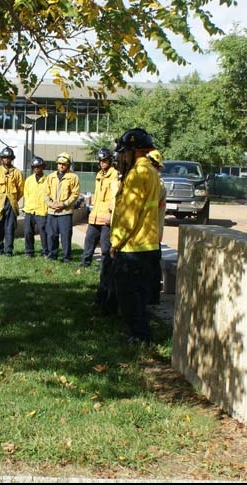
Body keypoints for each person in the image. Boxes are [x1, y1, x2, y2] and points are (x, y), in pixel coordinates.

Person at [108, 128, 162, 344]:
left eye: (124, 152)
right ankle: (142, 334)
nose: (121, 157)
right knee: (139, 295)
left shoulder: (137, 174)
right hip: (148, 245)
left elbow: (129, 213)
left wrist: (115, 242)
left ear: (135, 151)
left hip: (133, 247)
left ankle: (140, 336)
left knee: (128, 295)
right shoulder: (151, 172)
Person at [80, 147, 119, 267]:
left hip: (106, 216)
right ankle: (85, 263)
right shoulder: (99, 175)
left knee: (105, 244)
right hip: (95, 215)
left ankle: (105, 267)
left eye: (105, 160)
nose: (102, 162)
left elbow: (114, 196)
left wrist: (110, 213)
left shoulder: (114, 174)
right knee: (89, 239)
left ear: (110, 160)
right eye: (100, 160)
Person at [0, 146, 24, 256]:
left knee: (10, 228)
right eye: (4, 158)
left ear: (12, 159)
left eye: (8, 158)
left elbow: (21, 189)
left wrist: (14, 199)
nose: (6, 159)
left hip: (11, 205)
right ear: (2, 159)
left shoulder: (17, 173)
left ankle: (8, 250)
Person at [43, 152, 80, 263]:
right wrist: (51, 204)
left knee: (65, 236)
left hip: (65, 213)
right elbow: (45, 193)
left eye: (64, 164)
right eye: (59, 163)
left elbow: (75, 194)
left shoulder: (73, 177)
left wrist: (64, 204)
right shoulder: (50, 177)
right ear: (57, 164)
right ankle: (52, 255)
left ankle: (66, 257)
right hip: (52, 212)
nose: (61, 166)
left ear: (68, 165)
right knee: (51, 236)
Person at [147, 148, 167, 305]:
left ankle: (153, 297)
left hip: (152, 232)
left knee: (153, 266)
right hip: (149, 231)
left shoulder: (158, 185)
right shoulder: (152, 182)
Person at [22, 156, 49, 258]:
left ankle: (45, 251)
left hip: (42, 211)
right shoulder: (28, 180)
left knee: (44, 233)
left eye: (38, 166)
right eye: (34, 167)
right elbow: (26, 194)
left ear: (43, 167)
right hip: (30, 210)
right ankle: (29, 252)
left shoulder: (48, 180)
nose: (36, 168)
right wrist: (28, 206)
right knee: (28, 232)